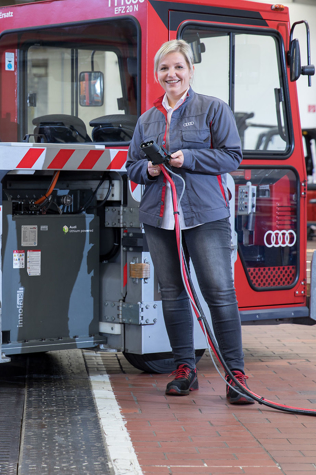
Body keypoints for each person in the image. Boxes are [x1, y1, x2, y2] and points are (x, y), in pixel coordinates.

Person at [126, 39, 253, 405]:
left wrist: (190, 159)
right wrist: (149, 169)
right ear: (157, 74)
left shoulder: (212, 108)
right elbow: (132, 166)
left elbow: (232, 156)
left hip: (204, 215)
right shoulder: (146, 120)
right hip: (159, 217)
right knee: (172, 293)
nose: (172, 74)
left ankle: (236, 376)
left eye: (178, 67)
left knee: (219, 292)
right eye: (165, 68)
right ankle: (185, 370)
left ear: (191, 71)